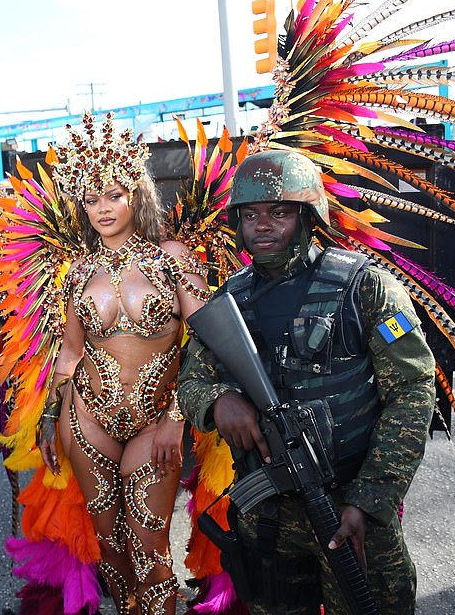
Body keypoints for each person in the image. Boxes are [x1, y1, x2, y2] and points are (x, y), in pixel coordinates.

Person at [177, 150, 436, 614]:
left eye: (279, 212)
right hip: (271, 518)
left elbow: (412, 392)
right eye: (251, 214)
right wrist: (218, 401)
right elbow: (193, 377)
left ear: (308, 215)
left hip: (351, 509)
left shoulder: (365, 287)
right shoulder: (229, 302)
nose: (263, 225)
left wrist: (371, 497)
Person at [34, 115, 209, 615]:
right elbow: (70, 352)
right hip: (88, 418)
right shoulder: (78, 273)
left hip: (156, 423)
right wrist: (50, 415)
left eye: (112, 194)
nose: (102, 208)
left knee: (152, 554)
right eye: (91, 199)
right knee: (112, 555)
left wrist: (177, 417)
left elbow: (204, 344)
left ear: (135, 193)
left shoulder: (174, 259)